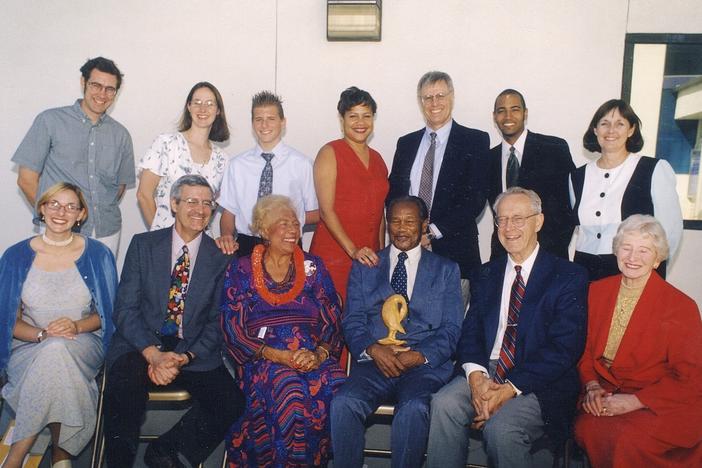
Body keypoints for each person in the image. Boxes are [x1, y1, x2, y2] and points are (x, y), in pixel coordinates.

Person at [427, 187, 588, 468]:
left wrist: (510, 388)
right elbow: (472, 332)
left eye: (518, 219)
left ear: (538, 222)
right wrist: (476, 377)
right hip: (486, 369)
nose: (509, 227)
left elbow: (564, 348)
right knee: (444, 404)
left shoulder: (568, 276)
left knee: (501, 428)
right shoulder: (486, 273)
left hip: (538, 381)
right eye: (502, 220)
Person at [102, 175, 244, 468]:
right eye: (191, 201)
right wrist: (153, 354)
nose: (200, 209)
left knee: (230, 402)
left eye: (207, 203)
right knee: (124, 387)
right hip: (139, 343)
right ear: (174, 203)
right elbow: (125, 309)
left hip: (190, 347)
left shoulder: (221, 256)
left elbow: (218, 320)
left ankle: (167, 451)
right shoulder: (143, 245)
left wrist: (184, 357)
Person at [331, 196, 463, 468]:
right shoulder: (366, 265)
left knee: (413, 409)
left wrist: (417, 356)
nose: (401, 228)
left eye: (410, 221)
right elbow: (352, 320)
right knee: (343, 403)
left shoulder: (446, 270)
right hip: (375, 362)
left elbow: (451, 330)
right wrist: (373, 349)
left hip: (423, 367)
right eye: (395, 221)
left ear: (424, 225)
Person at [221, 195, 346, 467]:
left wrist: (320, 354)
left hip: (310, 353)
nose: (293, 230)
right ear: (264, 230)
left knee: (337, 385)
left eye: (295, 224)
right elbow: (232, 327)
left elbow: (332, 316)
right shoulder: (241, 269)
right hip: (263, 357)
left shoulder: (314, 266)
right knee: (289, 391)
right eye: (283, 224)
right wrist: (279, 356)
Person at [0, 182, 116, 468]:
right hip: (28, 345)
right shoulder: (15, 256)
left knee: (58, 351)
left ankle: (15, 456)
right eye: (54, 204)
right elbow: (7, 321)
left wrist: (76, 326)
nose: (61, 212)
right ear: (41, 208)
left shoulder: (99, 254)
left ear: (81, 215)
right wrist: (42, 333)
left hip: (83, 342)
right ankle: (61, 459)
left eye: (70, 207)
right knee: (54, 353)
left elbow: (108, 314)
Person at [574, 214, 702, 467]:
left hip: (660, 401)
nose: (633, 258)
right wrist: (591, 386)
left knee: (629, 439)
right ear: (616, 251)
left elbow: (691, 376)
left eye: (644, 251)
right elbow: (582, 349)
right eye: (627, 247)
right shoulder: (595, 292)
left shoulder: (681, 306)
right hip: (603, 396)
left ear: (657, 259)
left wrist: (636, 401)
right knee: (589, 429)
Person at [11, 57, 135, 256]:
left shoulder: (121, 135)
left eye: (110, 89)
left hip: (106, 231)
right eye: (96, 85)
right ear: (83, 82)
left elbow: (118, 188)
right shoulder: (49, 121)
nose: (102, 94)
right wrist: (57, 217)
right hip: (59, 231)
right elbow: (26, 180)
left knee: (102, 287)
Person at [387, 71, 490, 304]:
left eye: (440, 95)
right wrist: (410, 233)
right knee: (406, 327)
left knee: (451, 332)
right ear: (420, 102)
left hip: (455, 255)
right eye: (427, 97)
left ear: (452, 97)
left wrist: (430, 231)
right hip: (408, 256)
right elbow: (393, 197)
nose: (434, 103)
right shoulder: (406, 143)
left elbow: (475, 199)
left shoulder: (475, 140)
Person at [570, 99, 683, 281]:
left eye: (620, 124)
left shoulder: (653, 169)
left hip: (633, 268)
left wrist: (654, 268)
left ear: (631, 130)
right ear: (595, 130)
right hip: (584, 268)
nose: (611, 130)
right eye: (604, 124)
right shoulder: (577, 176)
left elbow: (671, 230)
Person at [309, 86, 389, 302]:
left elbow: (380, 213)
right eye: (353, 116)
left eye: (367, 116)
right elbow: (326, 211)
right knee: (331, 324)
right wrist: (353, 250)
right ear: (342, 119)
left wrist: (380, 253)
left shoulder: (379, 159)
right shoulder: (329, 153)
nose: (360, 123)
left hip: (368, 257)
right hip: (335, 254)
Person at [217, 91, 317, 256]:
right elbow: (228, 213)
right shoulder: (236, 165)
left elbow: (314, 213)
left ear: (283, 122)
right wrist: (227, 236)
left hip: (288, 243)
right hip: (247, 244)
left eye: (271, 119)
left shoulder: (302, 165)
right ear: (252, 123)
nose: (264, 125)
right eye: (259, 120)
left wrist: (284, 225)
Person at [487, 89, 575, 260]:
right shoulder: (488, 159)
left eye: (515, 109)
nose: (508, 116)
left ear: (525, 113)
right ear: (494, 116)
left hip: (548, 256)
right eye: (501, 111)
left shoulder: (553, 148)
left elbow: (568, 208)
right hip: (503, 257)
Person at [137, 82, 229, 231]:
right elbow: (143, 194)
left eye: (210, 104)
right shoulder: (166, 144)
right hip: (164, 243)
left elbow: (213, 206)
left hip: (201, 244)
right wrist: (160, 237)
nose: (203, 109)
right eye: (197, 102)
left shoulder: (222, 159)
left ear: (218, 110)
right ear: (189, 107)